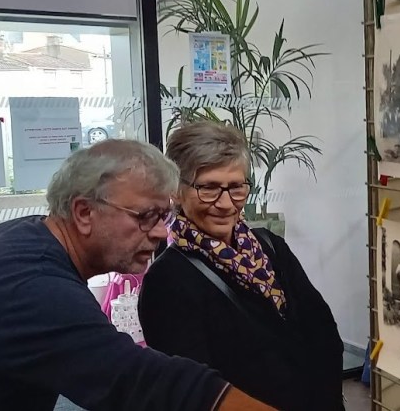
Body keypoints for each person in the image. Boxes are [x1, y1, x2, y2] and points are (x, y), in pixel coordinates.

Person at [0, 139, 276, 411]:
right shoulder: (34, 287)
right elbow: (142, 382)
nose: (159, 233)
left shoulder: (26, 237)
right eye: (145, 216)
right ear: (83, 212)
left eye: (164, 216)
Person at [139, 122, 344, 410]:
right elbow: (194, 390)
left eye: (236, 187)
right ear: (177, 191)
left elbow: (322, 331)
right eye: (208, 188)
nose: (225, 204)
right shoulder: (168, 279)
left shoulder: (270, 247)